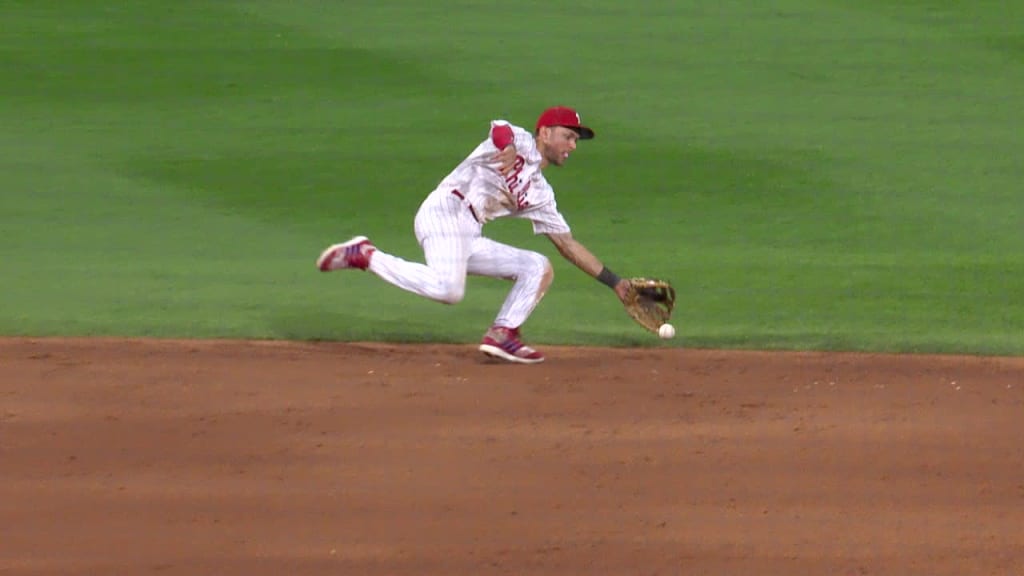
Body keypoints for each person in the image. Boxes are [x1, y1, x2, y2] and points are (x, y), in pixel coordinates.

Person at [316, 106, 631, 364]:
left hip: (468, 231)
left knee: (538, 267)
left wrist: (615, 283)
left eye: (576, 140)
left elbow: (568, 244)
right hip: (446, 210)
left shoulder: (541, 194)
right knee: (449, 291)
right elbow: (499, 127)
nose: (572, 146)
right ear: (544, 133)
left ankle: (503, 333)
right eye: (568, 136)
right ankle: (366, 255)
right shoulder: (519, 140)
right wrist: (507, 148)